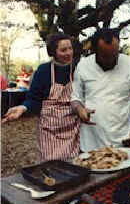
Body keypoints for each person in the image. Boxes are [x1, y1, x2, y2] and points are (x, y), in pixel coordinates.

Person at [71, 28, 130, 152]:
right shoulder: (83, 66)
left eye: (115, 55)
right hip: (90, 143)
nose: (112, 60)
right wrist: (79, 109)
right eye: (106, 56)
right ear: (94, 51)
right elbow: (75, 98)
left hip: (121, 142)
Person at [2, 33, 80, 162]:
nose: (68, 53)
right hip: (49, 130)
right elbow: (33, 98)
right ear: (52, 52)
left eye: (70, 48)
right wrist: (23, 107)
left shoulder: (78, 68)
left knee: (72, 165)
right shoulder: (44, 71)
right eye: (63, 50)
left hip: (72, 128)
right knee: (49, 167)